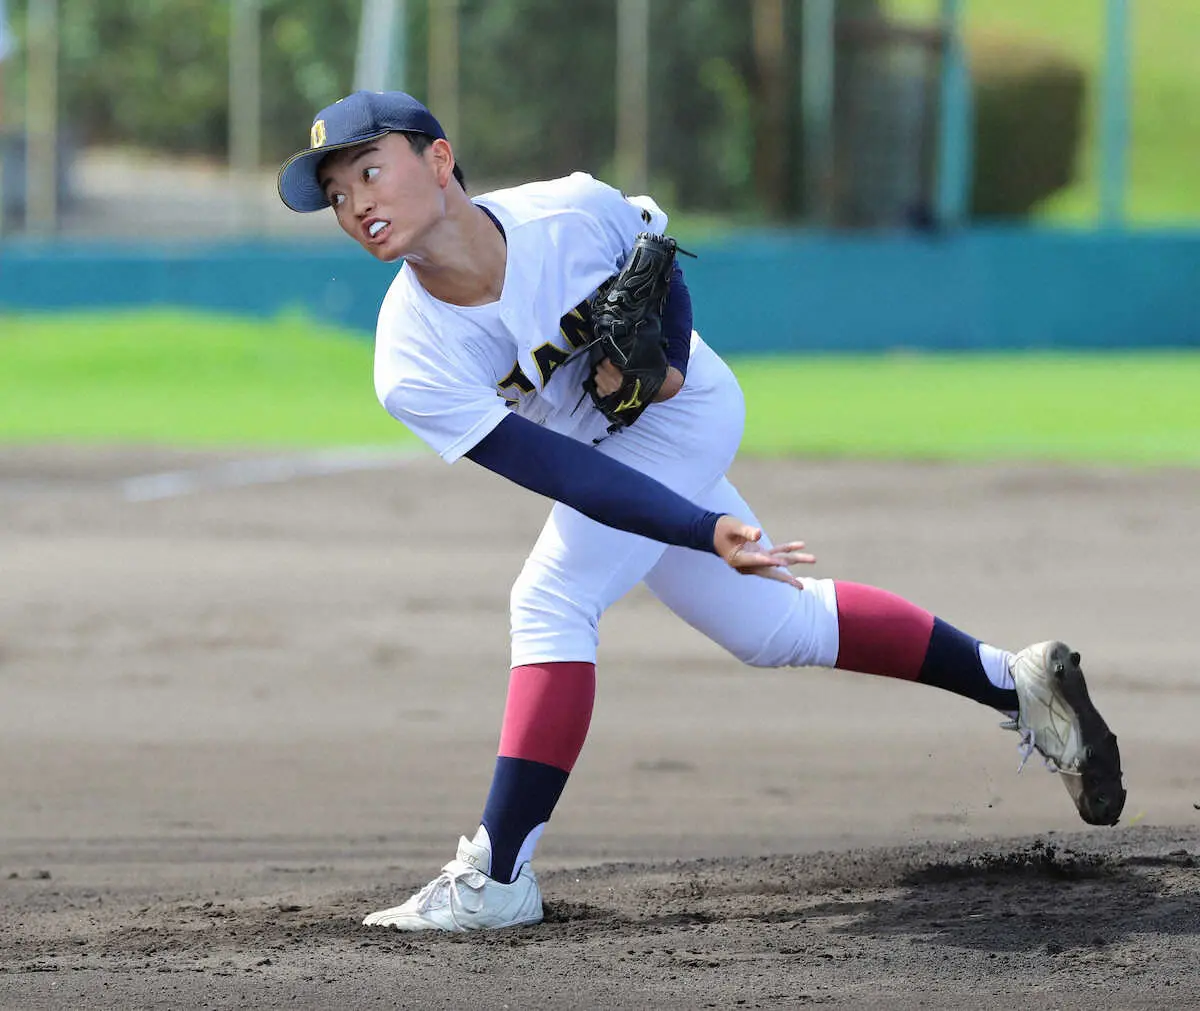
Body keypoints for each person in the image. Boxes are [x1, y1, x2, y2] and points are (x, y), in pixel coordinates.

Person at [277, 91, 1125, 933]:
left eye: (368, 170)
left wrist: (671, 363)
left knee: (550, 600)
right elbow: (562, 470)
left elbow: (659, 256)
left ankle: (499, 874)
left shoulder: (568, 212)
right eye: (338, 195)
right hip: (614, 468)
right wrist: (697, 527)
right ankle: (1018, 683)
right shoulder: (411, 356)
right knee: (776, 629)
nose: (356, 204)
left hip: (686, 416)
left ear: (438, 158)